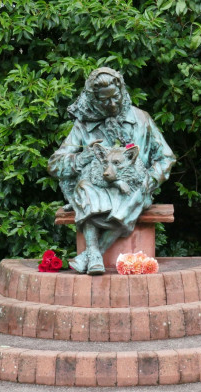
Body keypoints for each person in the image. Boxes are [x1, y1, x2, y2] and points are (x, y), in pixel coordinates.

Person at [48, 67, 175, 274]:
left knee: (131, 195)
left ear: (122, 91)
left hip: (132, 189)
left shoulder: (141, 120)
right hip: (94, 188)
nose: (112, 104)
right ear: (94, 99)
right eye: (104, 100)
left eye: (116, 97)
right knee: (85, 189)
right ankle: (94, 255)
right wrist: (84, 157)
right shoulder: (83, 125)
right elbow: (55, 165)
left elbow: (166, 158)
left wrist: (149, 180)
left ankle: (91, 254)